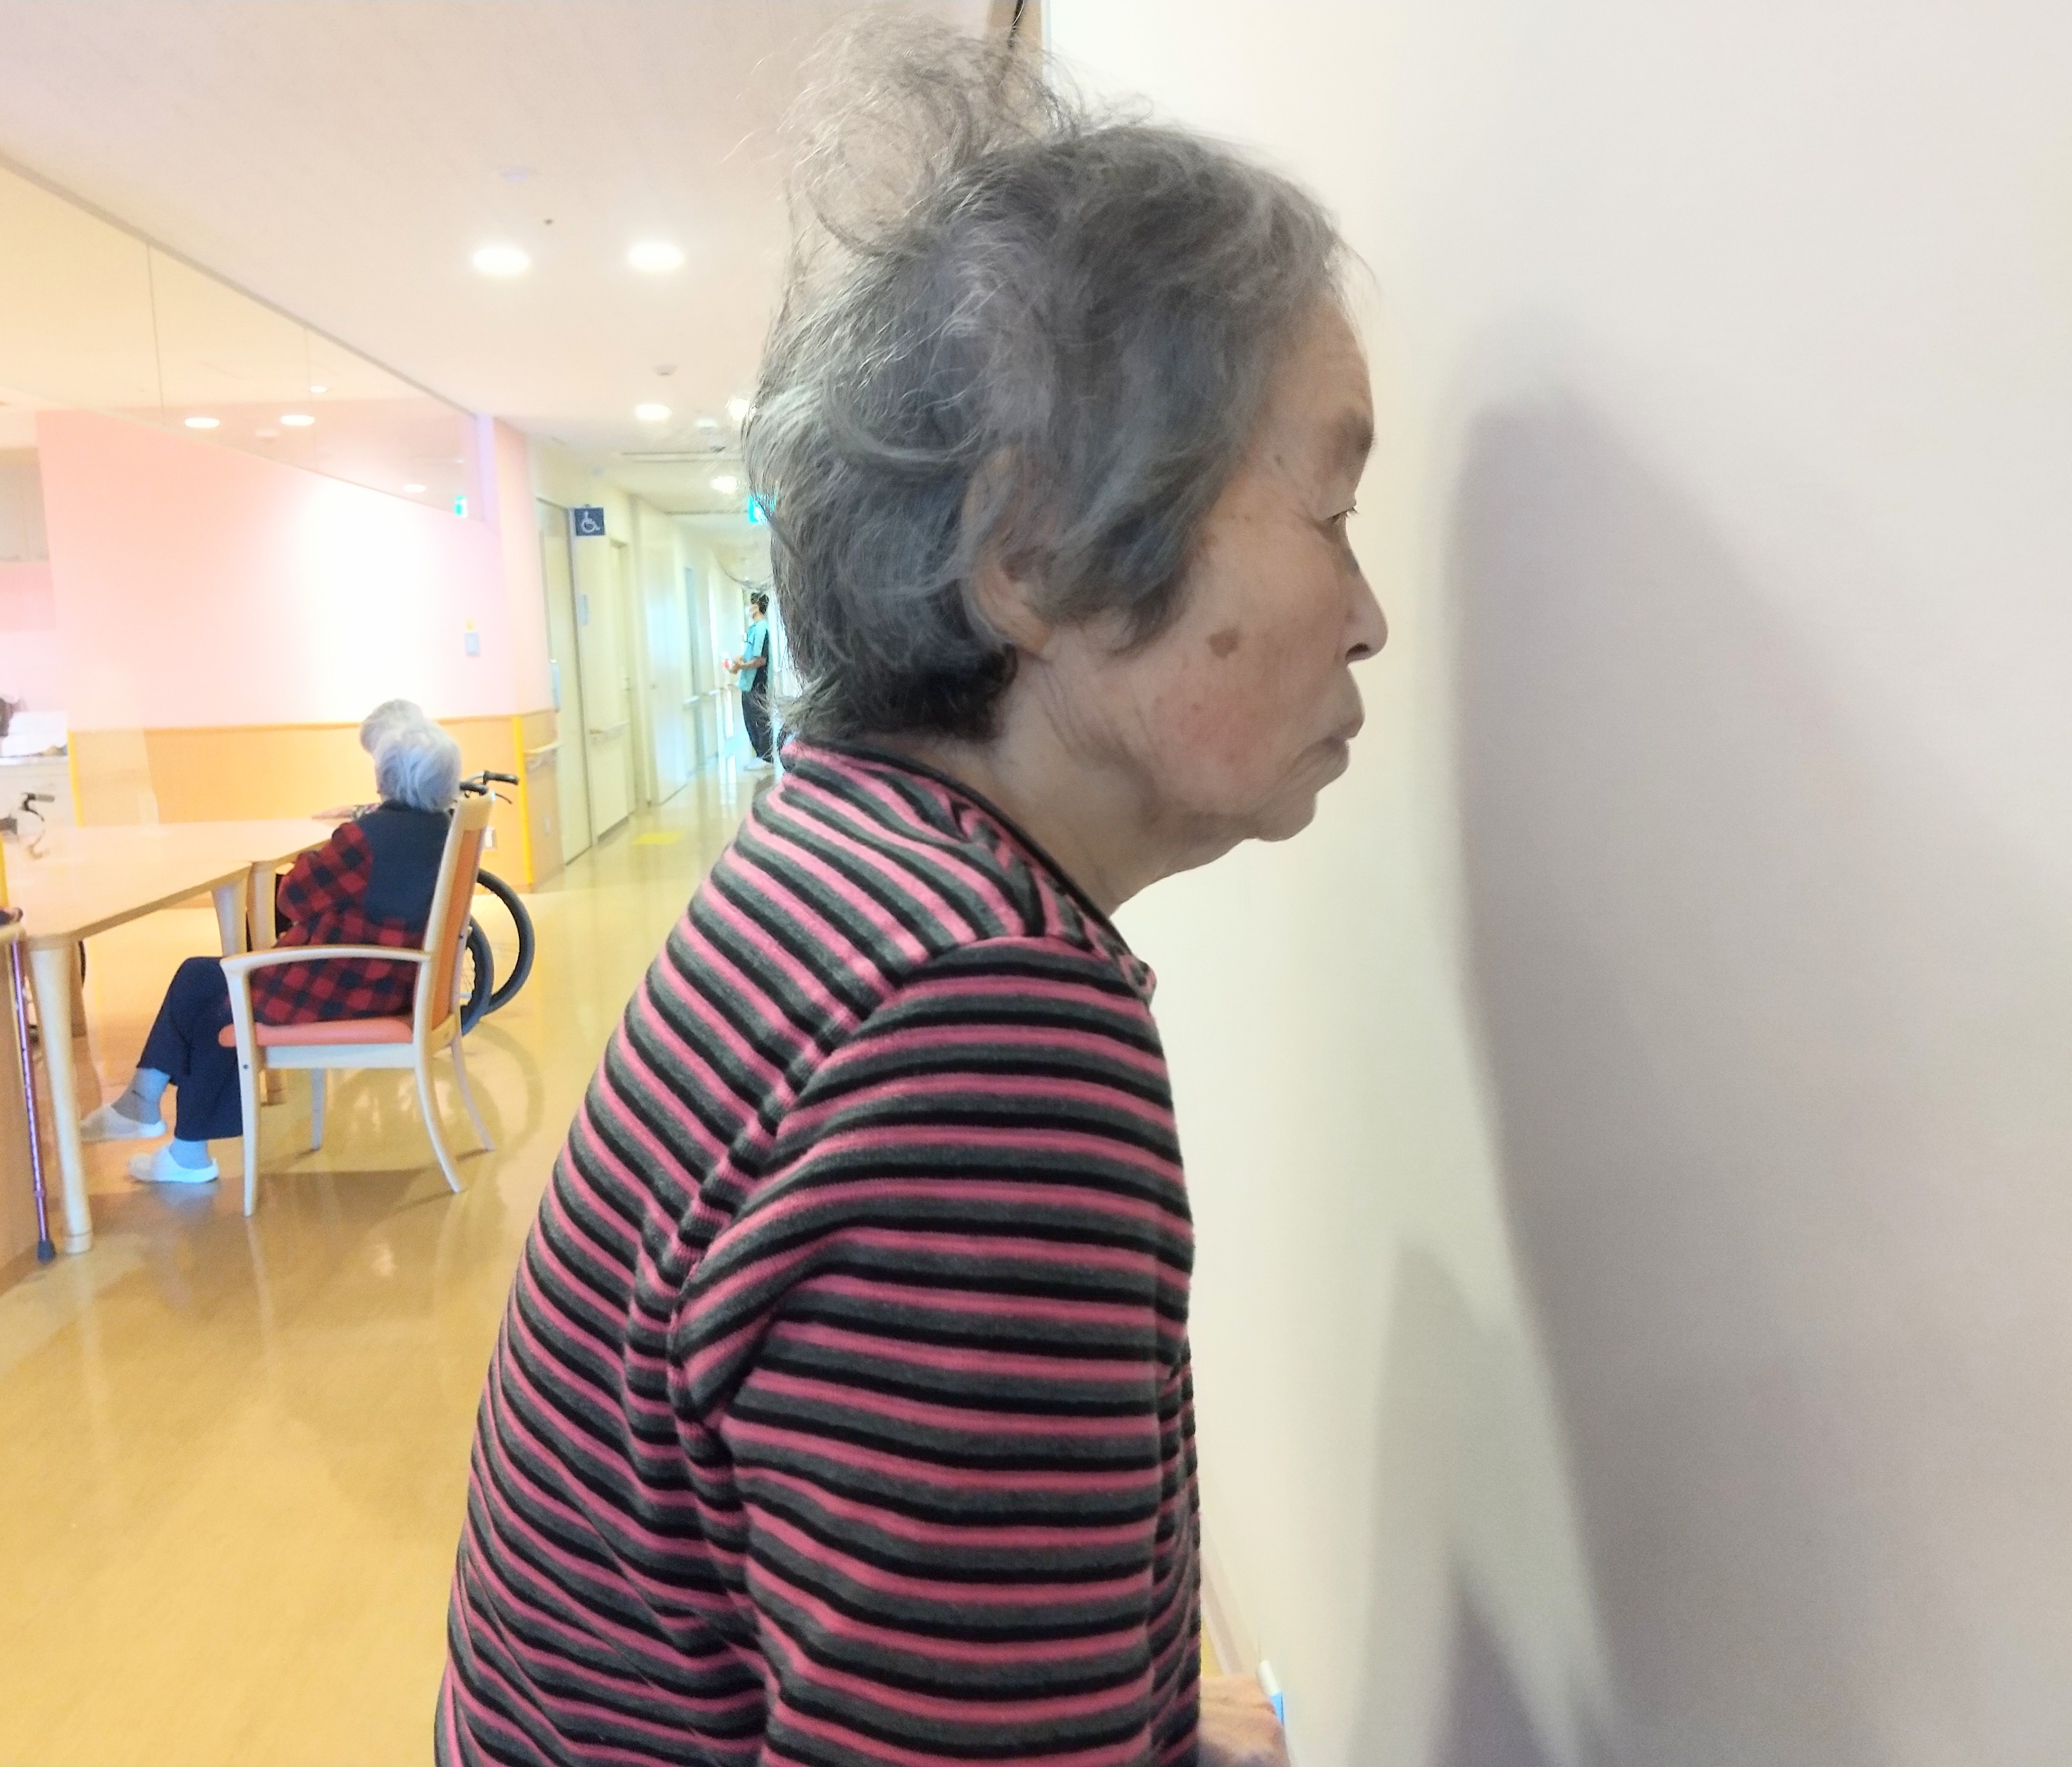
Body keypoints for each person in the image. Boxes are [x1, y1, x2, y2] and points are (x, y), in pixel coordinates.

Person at [441, 25, 1383, 1767]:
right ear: (1028, 554)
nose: (1369, 615)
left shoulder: (847, 866)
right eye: (1329, 508)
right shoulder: (980, 1024)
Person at [80, 719, 465, 1183]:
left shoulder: (367, 839)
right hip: (393, 979)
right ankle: (145, 1104)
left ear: (388, 775)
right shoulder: (444, 830)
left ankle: (183, 1149)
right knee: (200, 976)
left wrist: (318, 856)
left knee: (221, 1009)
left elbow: (292, 900)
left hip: (347, 982)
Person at [722, 588, 774, 767]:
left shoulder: (762, 629)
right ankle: (761, 756)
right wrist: (739, 662)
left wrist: (741, 666)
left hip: (757, 684)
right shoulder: (754, 629)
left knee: (760, 721)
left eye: (751, 604)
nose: (749, 608)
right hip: (748, 684)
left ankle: (766, 758)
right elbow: (750, 655)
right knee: (751, 722)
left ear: (757, 607)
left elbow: (760, 660)